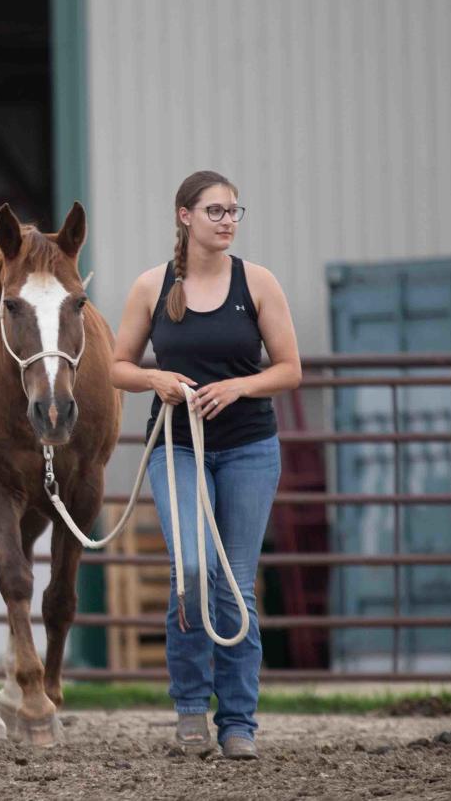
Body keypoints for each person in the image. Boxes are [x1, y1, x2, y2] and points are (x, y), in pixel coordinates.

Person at [109, 170, 302, 760]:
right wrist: (154, 378)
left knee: (236, 588)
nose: (227, 221)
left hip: (248, 448)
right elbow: (117, 365)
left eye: (234, 211)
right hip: (178, 447)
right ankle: (191, 710)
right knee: (191, 572)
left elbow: (290, 369)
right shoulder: (152, 286)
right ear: (184, 216)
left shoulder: (257, 282)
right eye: (215, 211)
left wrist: (239, 388)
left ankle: (239, 722)